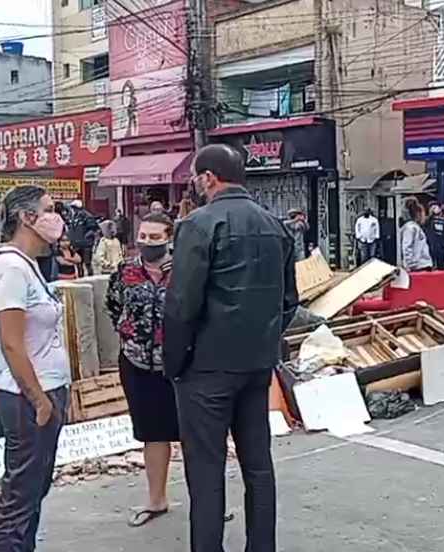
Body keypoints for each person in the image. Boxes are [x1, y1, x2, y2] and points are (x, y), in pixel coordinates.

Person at [163, 144, 298, 552]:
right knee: (258, 464)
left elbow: (182, 305)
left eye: (196, 178)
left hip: (206, 368)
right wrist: (265, 342)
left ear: (208, 178)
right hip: (257, 366)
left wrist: (175, 363)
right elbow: (289, 301)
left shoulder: (199, 225)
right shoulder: (276, 225)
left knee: (206, 472)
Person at [0, 185, 70, 552]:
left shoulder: (27, 266)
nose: (56, 217)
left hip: (44, 389)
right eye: (49, 209)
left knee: (34, 487)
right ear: (27, 218)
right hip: (25, 395)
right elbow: (11, 342)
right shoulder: (11, 268)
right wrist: (39, 399)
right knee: (20, 493)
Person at [105, 213, 180, 527]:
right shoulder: (126, 270)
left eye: (155, 236)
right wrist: (128, 333)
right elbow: (112, 306)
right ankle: (156, 499)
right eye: (143, 236)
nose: (148, 242)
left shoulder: (183, 269)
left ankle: (208, 501)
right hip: (137, 364)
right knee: (152, 433)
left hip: (180, 365)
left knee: (195, 434)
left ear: (169, 237)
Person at [65, 199, 99, 277]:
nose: (73, 209)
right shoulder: (73, 216)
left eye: (74, 207)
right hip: (76, 244)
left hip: (86, 244)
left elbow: (93, 228)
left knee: (87, 263)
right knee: (78, 263)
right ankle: (81, 277)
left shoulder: (87, 216)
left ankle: (91, 278)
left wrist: (85, 238)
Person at [399, 197, 433, 272]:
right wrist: (410, 264)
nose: (425, 217)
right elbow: (407, 247)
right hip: (417, 266)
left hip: (423, 264)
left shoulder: (417, 228)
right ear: (418, 214)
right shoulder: (410, 228)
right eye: (423, 214)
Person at [424, 202, 444, 270]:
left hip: (441, 246)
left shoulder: (443, 220)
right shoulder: (429, 220)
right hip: (432, 246)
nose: (436, 209)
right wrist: (430, 214)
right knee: (431, 265)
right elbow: (425, 223)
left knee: (441, 265)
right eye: (434, 208)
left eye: (437, 207)